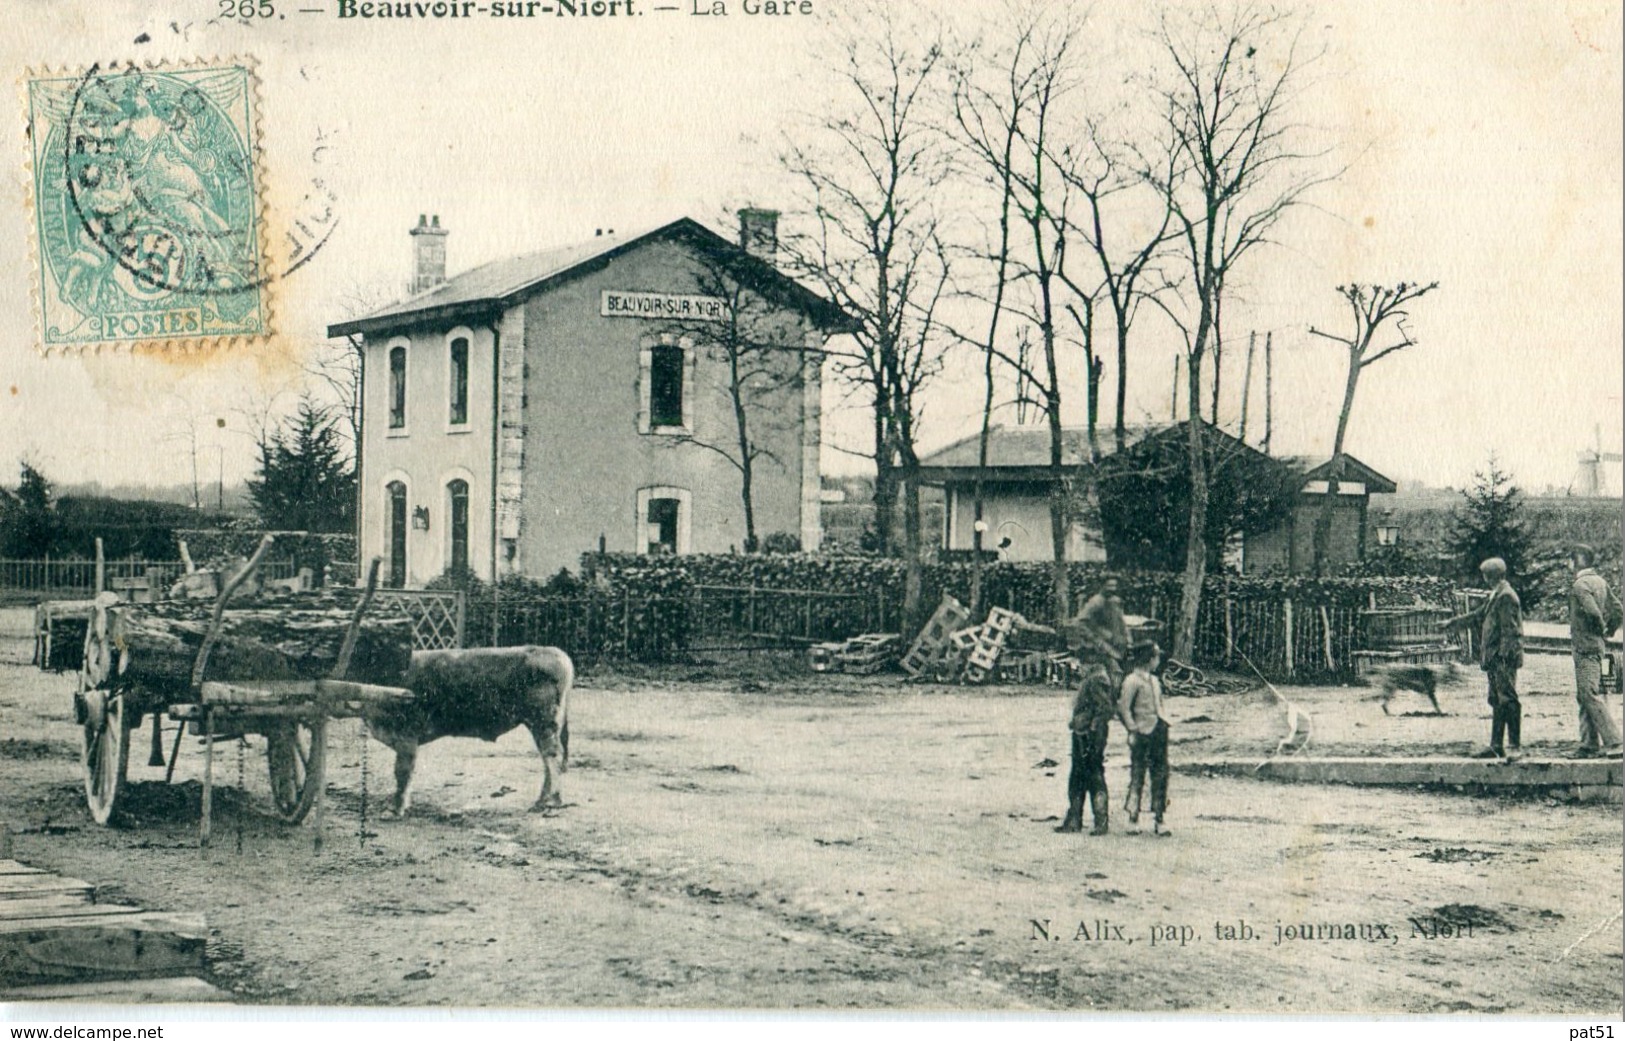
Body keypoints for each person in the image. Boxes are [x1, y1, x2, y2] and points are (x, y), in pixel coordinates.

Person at [1444, 558, 1524, 761]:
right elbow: (1478, 615)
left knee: (1508, 699)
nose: (1484, 578)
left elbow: (1511, 631)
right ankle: (1496, 746)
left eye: (1485, 575)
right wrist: (1453, 623)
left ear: (1492, 576)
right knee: (1497, 700)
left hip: (1502, 659)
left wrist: (1503, 658)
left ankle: (1514, 746)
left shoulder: (1506, 596)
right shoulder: (1497, 594)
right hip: (1495, 658)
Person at [1565, 545, 1623, 758]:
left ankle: (1615, 742)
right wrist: (1609, 631)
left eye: (1569, 560)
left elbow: (1592, 612)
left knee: (1589, 694)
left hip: (1586, 647)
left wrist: (1599, 629)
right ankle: (1589, 743)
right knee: (1585, 693)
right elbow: (1618, 610)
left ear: (1576, 560)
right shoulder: (1600, 581)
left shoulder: (1580, 585)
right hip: (1597, 645)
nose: (1567, 564)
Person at [1057, 649, 1115, 836]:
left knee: (1092, 776)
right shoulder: (1094, 677)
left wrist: (1091, 731)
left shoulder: (1097, 679)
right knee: (1079, 776)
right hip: (1084, 732)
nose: (1078, 665)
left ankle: (1098, 821)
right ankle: (1075, 819)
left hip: (1089, 736)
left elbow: (1105, 709)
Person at [1118, 640, 1171, 836]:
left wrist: (1164, 721)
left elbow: (1160, 704)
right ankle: (1133, 817)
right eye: (1156, 657)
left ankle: (1159, 818)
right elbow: (1123, 708)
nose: (1158, 661)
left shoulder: (1155, 681)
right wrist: (1132, 729)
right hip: (1141, 732)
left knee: (1160, 775)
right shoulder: (1132, 681)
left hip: (1158, 731)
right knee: (1138, 775)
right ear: (1148, 659)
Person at [1071, 576, 1129, 685]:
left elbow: (1121, 623)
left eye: (1114, 586)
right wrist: (1095, 639)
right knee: (1112, 672)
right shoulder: (1095, 602)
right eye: (1109, 586)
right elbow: (1081, 623)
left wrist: (1127, 637)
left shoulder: (1115, 602)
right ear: (1102, 586)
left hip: (1117, 645)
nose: (1112, 588)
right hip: (1100, 647)